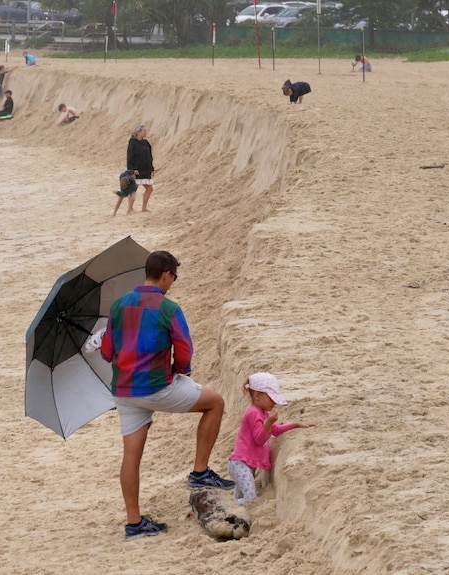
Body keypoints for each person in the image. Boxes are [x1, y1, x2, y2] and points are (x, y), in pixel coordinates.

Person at [100, 251, 235, 540]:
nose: (173, 282)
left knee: (131, 457)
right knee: (215, 403)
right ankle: (200, 471)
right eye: (174, 277)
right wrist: (180, 370)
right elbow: (184, 347)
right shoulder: (168, 307)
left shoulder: (118, 306)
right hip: (158, 386)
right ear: (166, 275)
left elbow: (107, 352)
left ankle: (134, 524)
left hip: (124, 391)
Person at [227, 372, 316, 506]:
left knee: (240, 498)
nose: (274, 402)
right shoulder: (253, 413)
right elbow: (259, 439)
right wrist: (268, 422)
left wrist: (295, 425)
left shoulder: (262, 412)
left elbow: (274, 430)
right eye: (271, 398)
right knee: (250, 499)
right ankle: (224, 507)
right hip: (240, 464)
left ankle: (227, 507)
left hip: (246, 464)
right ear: (257, 396)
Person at [126, 124, 155, 212]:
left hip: (146, 170)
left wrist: (152, 168)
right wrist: (131, 171)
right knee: (134, 190)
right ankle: (130, 209)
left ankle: (144, 208)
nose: (145, 132)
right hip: (136, 170)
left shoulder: (146, 142)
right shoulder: (132, 142)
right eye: (144, 131)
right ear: (139, 132)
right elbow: (130, 157)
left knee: (149, 189)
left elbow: (149, 156)